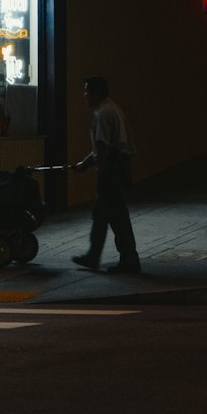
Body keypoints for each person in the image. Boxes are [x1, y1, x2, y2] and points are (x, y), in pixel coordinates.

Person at [71, 75, 141, 274]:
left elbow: (103, 147)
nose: (84, 96)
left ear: (95, 93)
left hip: (112, 171)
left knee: (116, 216)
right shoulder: (113, 109)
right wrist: (85, 164)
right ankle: (94, 256)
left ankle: (129, 260)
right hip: (119, 167)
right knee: (102, 214)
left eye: (86, 91)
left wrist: (100, 173)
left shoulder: (103, 113)